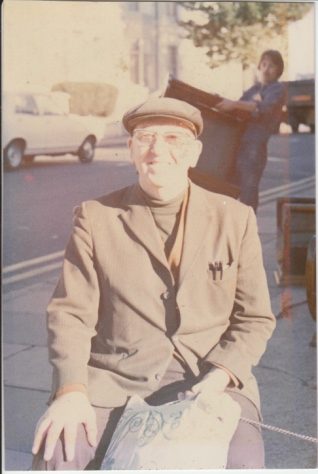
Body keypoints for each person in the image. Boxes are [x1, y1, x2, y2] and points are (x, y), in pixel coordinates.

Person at [32, 97, 276, 470]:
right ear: (131, 150)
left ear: (194, 153)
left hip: (207, 377)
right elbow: (70, 315)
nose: (157, 150)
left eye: (173, 139)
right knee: (57, 455)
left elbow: (255, 319)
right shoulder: (96, 218)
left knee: (241, 462)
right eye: (145, 137)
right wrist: (70, 390)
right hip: (113, 380)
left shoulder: (235, 219)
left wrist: (222, 374)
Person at [215, 49, 286, 212]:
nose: (266, 69)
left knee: (248, 192)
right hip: (238, 146)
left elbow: (262, 108)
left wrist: (237, 105)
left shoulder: (277, 89)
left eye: (272, 66)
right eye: (264, 64)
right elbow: (238, 106)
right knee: (230, 189)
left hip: (254, 149)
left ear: (279, 70)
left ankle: (248, 230)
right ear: (259, 67)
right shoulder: (254, 89)